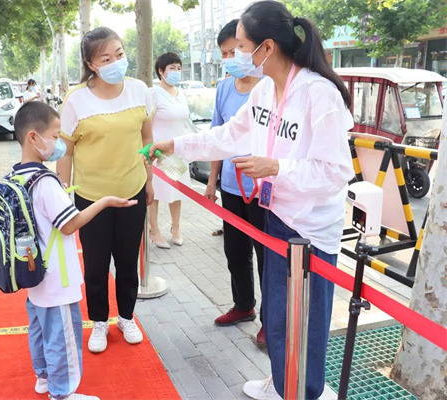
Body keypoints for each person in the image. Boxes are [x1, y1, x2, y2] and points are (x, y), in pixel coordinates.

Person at [149, 2, 354, 399]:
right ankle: (282, 382)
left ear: (267, 47)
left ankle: (305, 391)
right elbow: (227, 135)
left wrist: (275, 167)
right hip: (275, 216)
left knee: (305, 322)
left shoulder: (318, 94)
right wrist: (175, 144)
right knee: (276, 317)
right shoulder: (265, 90)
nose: (237, 55)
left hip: (309, 231)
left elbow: (335, 171)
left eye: (241, 46)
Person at [13, 101, 137, 400]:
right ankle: (63, 393)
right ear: (34, 137)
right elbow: (70, 224)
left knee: (40, 330)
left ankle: (43, 378)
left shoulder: (17, 175)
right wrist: (105, 201)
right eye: (55, 136)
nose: (59, 143)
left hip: (33, 274)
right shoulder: (45, 182)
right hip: (58, 277)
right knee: (63, 337)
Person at [57, 27, 154, 354]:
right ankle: (99, 321)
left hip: (132, 190)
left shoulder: (140, 90)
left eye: (119, 54)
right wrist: (62, 197)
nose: (116, 62)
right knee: (96, 265)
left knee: (128, 262)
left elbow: (146, 140)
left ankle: (126, 317)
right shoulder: (76, 100)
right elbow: (65, 152)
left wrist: (150, 180)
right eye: (106, 58)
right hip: (91, 198)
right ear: (91, 64)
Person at [204, 20, 268, 344]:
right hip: (231, 186)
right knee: (235, 250)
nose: (231, 57)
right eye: (225, 52)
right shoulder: (224, 89)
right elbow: (217, 139)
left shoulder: (269, 86)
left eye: (236, 49)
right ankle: (243, 305)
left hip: (262, 190)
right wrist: (212, 181)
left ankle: (272, 322)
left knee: (265, 255)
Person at [149, 52, 191, 249]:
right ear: (161, 71)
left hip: (178, 151)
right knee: (156, 192)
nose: (176, 72)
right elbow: (146, 124)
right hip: (158, 153)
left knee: (177, 192)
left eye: (178, 68)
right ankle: (154, 230)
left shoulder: (181, 93)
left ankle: (176, 228)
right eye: (172, 68)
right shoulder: (154, 94)